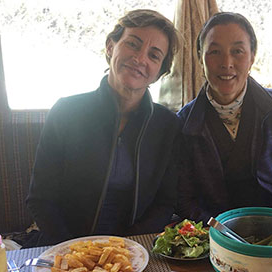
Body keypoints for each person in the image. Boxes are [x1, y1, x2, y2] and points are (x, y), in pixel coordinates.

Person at [26, 9, 182, 246]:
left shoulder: (167, 125)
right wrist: (77, 250)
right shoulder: (66, 111)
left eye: (154, 55)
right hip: (65, 246)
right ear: (111, 46)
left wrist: (125, 247)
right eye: (132, 44)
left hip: (133, 249)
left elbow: (165, 202)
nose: (140, 59)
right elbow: (41, 199)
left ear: (160, 71)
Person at [176, 12, 272, 224]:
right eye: (214, 52)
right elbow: (183, 197)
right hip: (215, 232)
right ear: (200, 58)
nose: (226, 63)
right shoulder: (185, 122)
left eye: (237, 51)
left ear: (252, 57)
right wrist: (221, 231)